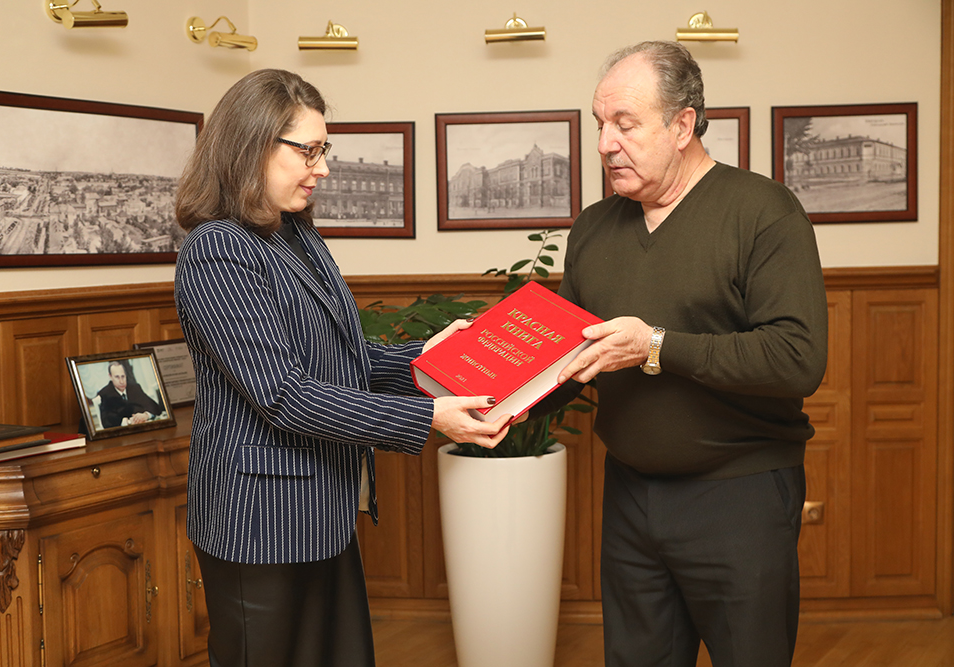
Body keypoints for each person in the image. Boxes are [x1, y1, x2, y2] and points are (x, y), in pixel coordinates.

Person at [173, 69, 511, 667]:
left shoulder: (297, 235)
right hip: (259, 523)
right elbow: (284, 394)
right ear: (252, 145)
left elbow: (342, 363)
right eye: (308, 151)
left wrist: (431, 358)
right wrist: (428, 417)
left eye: (323, 150)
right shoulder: (217, 249)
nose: (323, 168)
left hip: (321, 511)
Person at [535, 42, 829, 666]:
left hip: (740, 496)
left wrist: (656, 347)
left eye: (625, 124)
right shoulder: (593, 228)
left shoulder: (763, 211)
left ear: (682, 124)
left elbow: (797, 358)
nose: (605, 144)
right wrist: (490, 386)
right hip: (629, 497)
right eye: (600, 124)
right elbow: (571, 360)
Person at [96, 360, 163, 428]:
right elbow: (106, 421)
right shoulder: (105, 393)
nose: (121, 381)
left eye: (123, 376)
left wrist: (146, 415)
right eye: (117, 377)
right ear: (110, 377)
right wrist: (128, 422)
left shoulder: (135, 387)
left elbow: (155, 407)